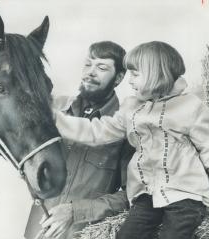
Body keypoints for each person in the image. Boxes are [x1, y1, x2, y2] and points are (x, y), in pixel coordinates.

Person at [54, 41, 209, 239]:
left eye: (135, 75)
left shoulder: (190, 107)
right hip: (146, 195)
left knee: (173, 235)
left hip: (185, 195)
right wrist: (56, 120)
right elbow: (98, 131)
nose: (129, 81)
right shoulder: (132, 108)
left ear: (156, 75)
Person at [24, 41, 135, 239]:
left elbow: (130, 196)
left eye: (101, 67)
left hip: (83, 234)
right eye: (88, 64)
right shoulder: (54, 108)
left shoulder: (126, 128)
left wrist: (75, 212)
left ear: (119, 77)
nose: (90, 72)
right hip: (35, 233)